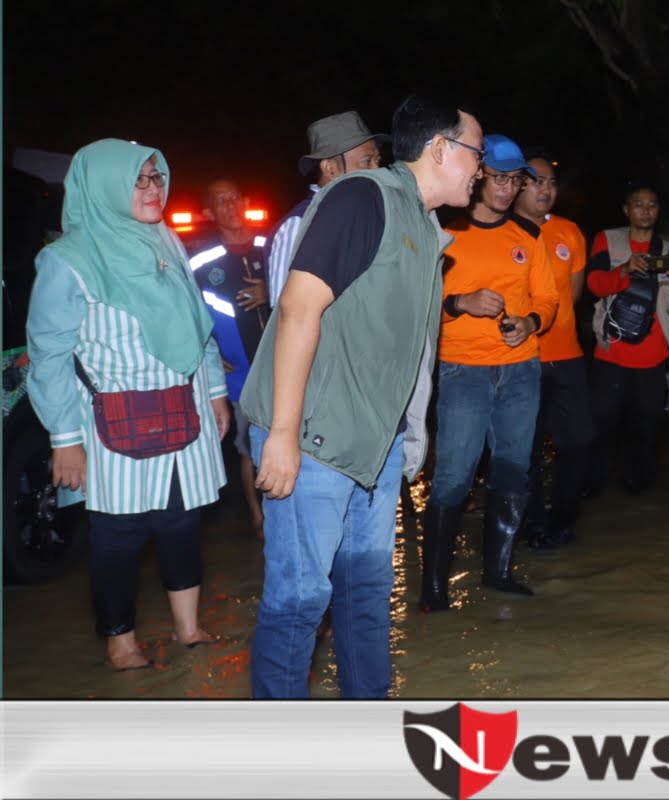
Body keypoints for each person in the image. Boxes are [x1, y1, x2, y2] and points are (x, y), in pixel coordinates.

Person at [241, 96, 482, 698]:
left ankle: (367, 734)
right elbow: (298, 308)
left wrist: (410, 438)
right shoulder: (362, 197)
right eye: (476, 152)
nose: (479, 168)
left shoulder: (425, 229)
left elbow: (407, 352)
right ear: (441, 149)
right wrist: (283, 435)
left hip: (372, 448)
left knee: (366, 596)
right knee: (299, 600)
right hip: (316, 437)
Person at [27, 139, 229, 671]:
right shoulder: (66, 261)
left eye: (157, 178)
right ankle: (121, 641)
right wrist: (64, 439)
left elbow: (198, 325)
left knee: (182, 521)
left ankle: (187, 628)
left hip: (183, 410)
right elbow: (48, 356)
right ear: (103, 186)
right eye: (138, 180)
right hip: (112, 419)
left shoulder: (166, 241)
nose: (152, 189)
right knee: (119, 533)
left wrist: (213, 391)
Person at [418, 134, 558, 612]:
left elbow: (549, 300)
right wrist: (461, 302)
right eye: (499, 177)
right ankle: (434, 589)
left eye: (514, 178)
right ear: (477, 177)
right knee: (454, 476)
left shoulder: (529, 237)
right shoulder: (443, 233)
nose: (506, 187)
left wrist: (531, 323)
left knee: (514, 470)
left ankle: (497, 573)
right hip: (464, 372)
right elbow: (415, 307)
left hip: (521, 371)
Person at [583, 183, 669, 496]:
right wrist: (624, 270)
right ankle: (594, 484)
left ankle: (639, 486)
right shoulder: (607, 239)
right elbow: (593, 284)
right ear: (626, 209)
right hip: (612, 352)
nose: (645, 210)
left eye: (651, 204)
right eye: (638, 204)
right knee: (601, 421)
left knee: (647, 424)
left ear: (658, 210)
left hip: (654, 354)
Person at [512, 150, 592, 550]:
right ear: (518, 186)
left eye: (551, 182)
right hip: (519, 359)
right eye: (536, 181)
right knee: (524, 449)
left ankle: (563, 520)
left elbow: (572, 297)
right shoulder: (502, 232)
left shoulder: (570, 233)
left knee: (578, 441)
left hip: (567, 356)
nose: (546, 190)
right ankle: (533, 526)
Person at [188, 177, 269, 537]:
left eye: (236, 196)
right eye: (221, 201)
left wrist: (271, 290)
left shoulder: (274, 244)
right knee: (249, 447)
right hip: (239, 373)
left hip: (283, 365)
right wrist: (206, 350)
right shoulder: (201, 261)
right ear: (209, 212)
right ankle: (258, 518)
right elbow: (186, 313)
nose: (231, 205)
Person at [265, 111, 386, 307]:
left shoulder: (369, 217)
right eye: (366, 161)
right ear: (330, 168)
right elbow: (285, 314)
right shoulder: (299, 224)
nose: (378, 171)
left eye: (377, 161)